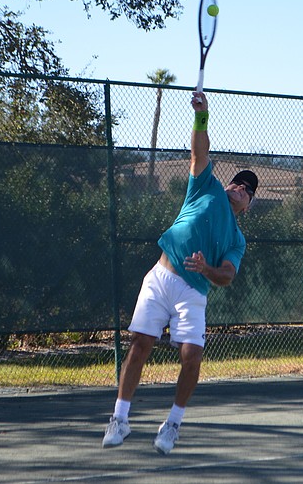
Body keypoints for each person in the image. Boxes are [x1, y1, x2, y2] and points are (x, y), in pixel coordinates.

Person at [102, 91, 258, 455]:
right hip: (160, 276)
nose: (240, 188)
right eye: (238, 182)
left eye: (248, 190)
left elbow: (227, 277)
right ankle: (120, 419)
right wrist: (201, 117)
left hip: (194, 291)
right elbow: (199, 151)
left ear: (248, 206)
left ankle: (172, 424)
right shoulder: (206, 186)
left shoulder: (237, 239)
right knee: (140, 345)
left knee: (192, 356)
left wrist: (206, 268)